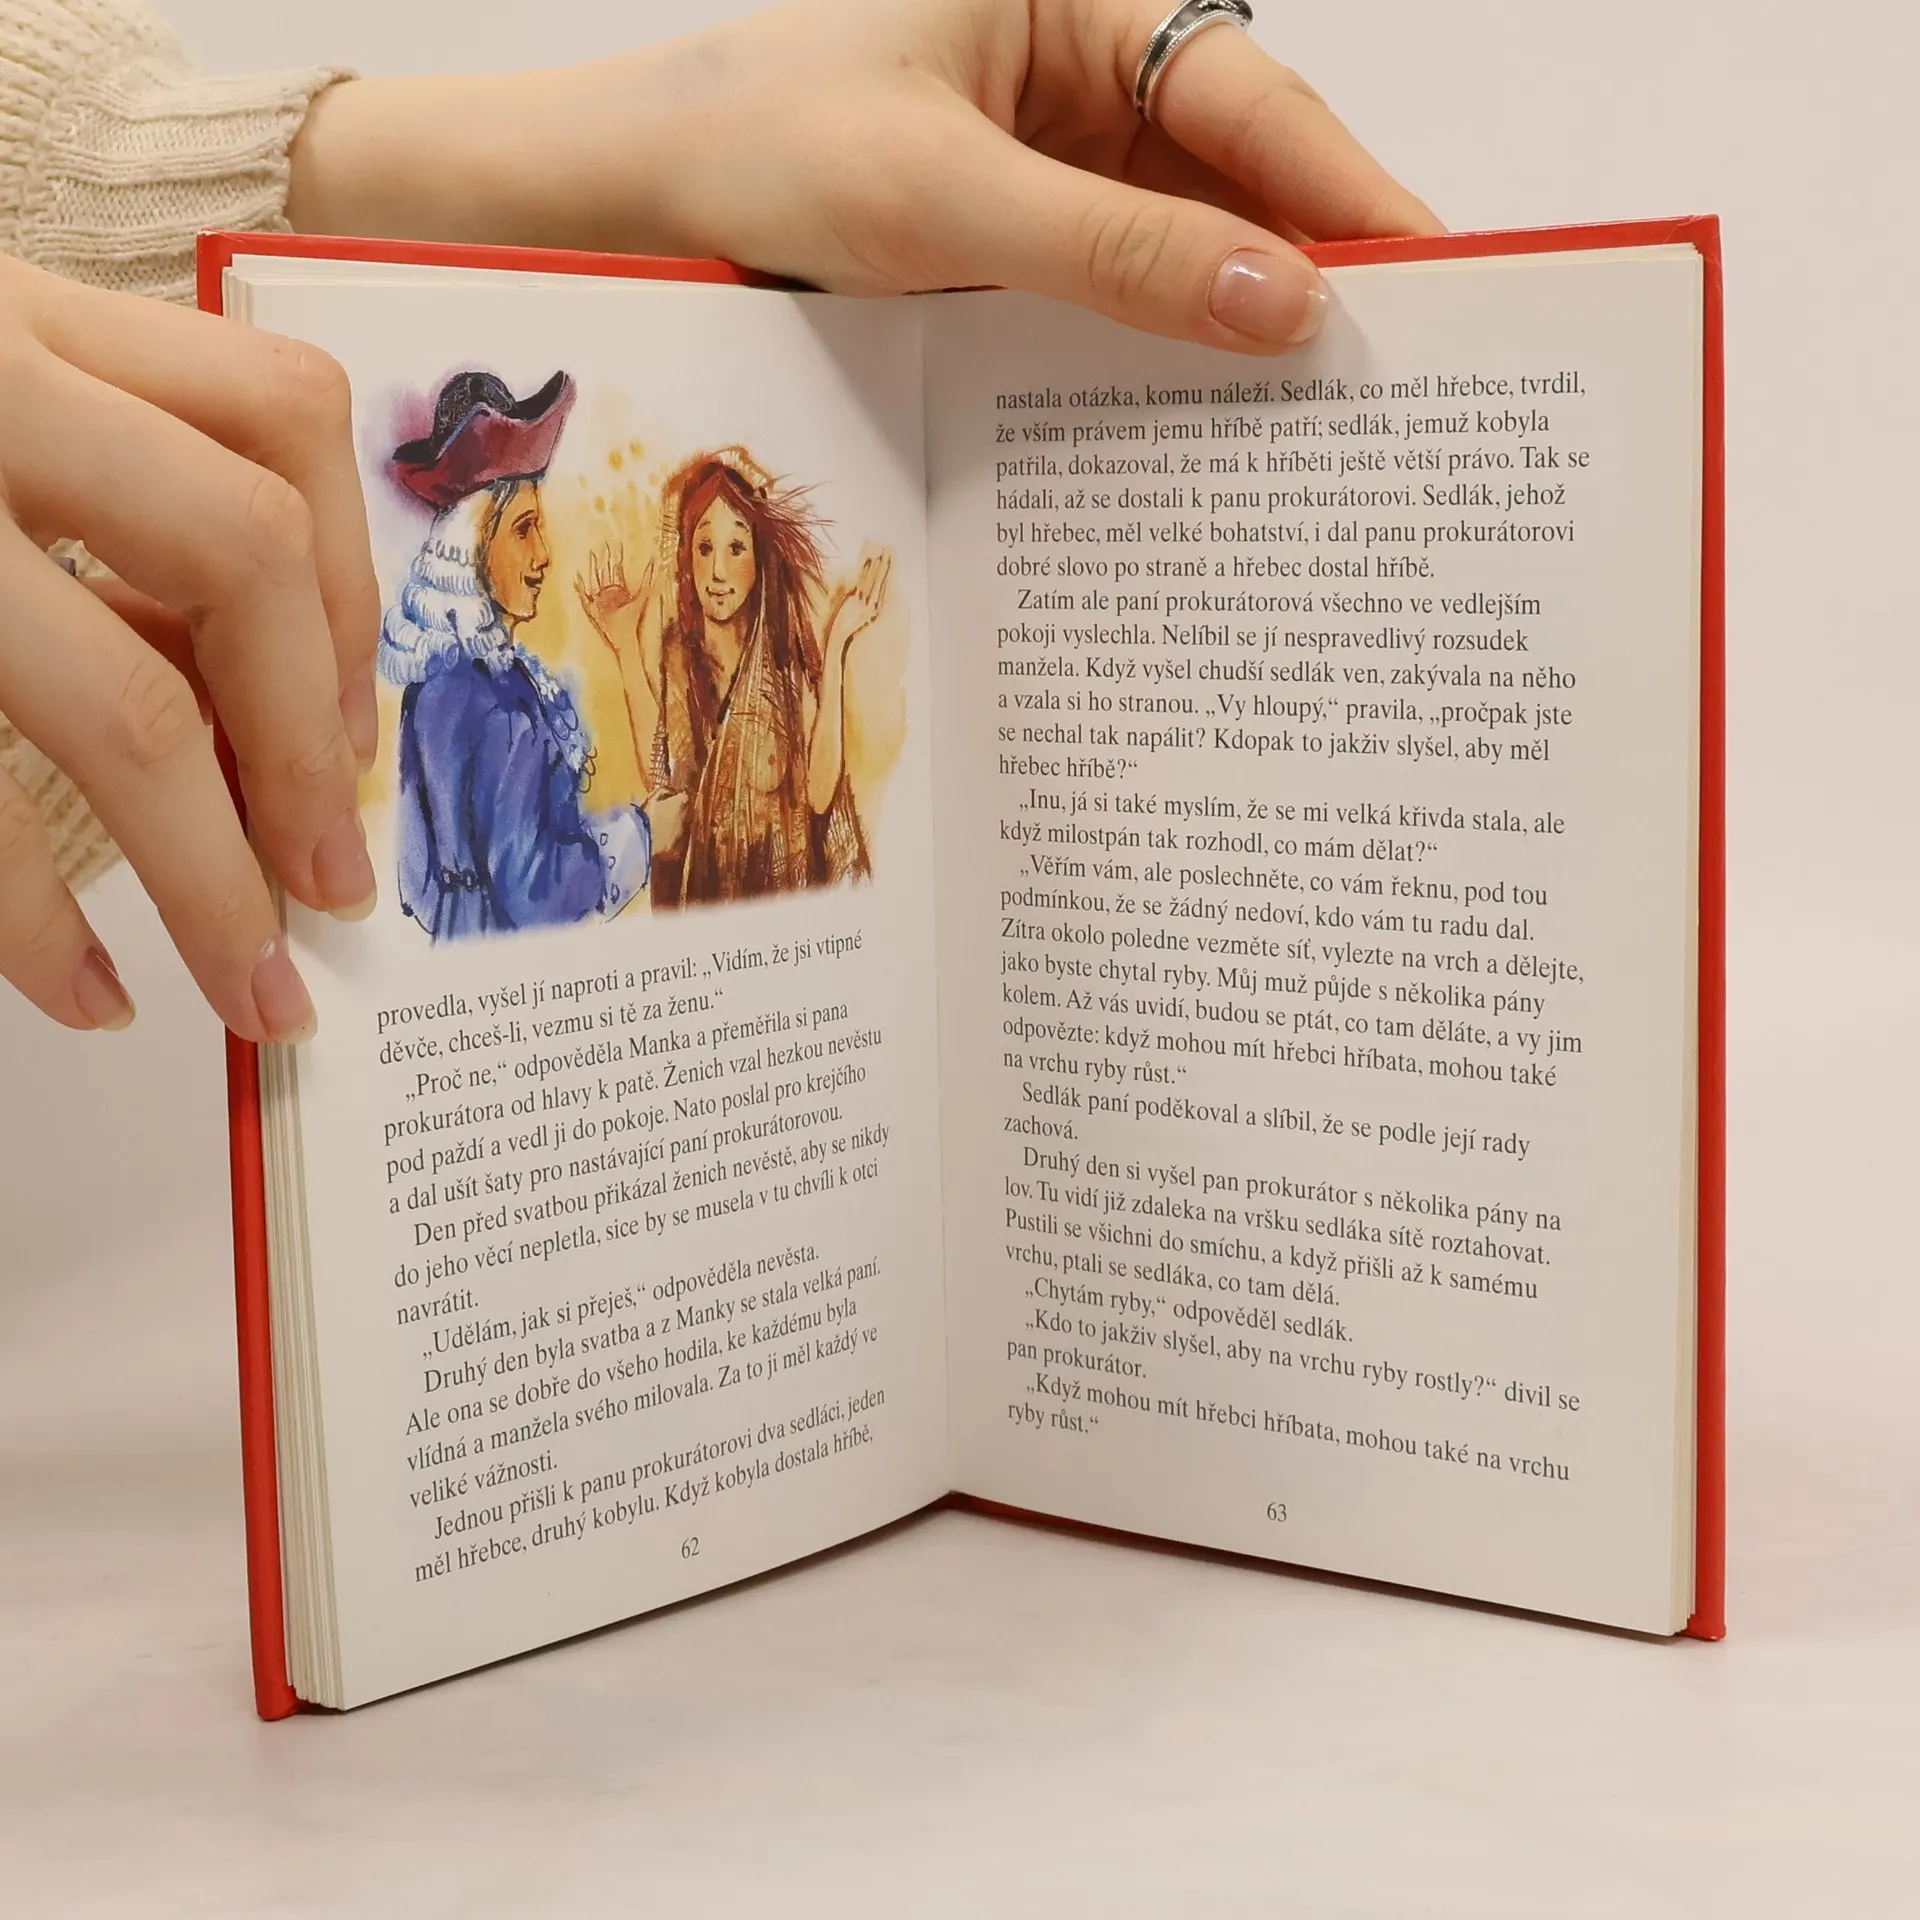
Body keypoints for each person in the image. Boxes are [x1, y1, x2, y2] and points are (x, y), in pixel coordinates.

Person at [0, 0, 1438, 1041]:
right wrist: (647, 809)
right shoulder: (489, 698)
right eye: (524, 526)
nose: (550, 547)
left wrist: (670, 125)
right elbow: (536, 878)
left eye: (732, 544)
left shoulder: (568, 678)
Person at [379, 369, 653, 941]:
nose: (544, 553)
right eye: (524, 530)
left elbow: (416, 880)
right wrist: (639, 836)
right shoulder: (503, 706)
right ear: (474, 542)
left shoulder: (428, 689)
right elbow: (535, 891)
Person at [576, 450, 887, 908]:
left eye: (736, 548)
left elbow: (820, 795)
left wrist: (839, 641)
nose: (718, 572)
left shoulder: (783, 660)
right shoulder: (678, 657)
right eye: (704, 548)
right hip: (702, 905)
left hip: (782, 899)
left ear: (759, 557)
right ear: (687, 556)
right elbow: (661, 776)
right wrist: (625, 645)